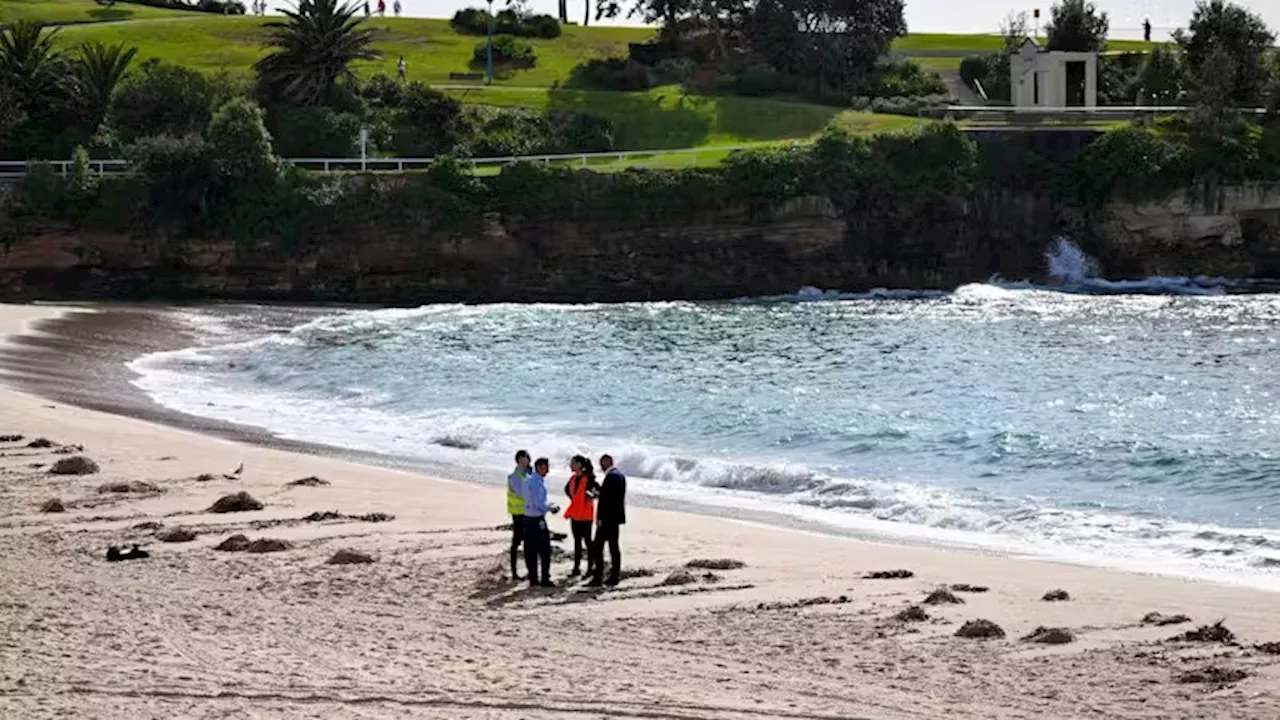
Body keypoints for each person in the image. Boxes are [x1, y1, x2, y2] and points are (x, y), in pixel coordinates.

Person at [589, 454, 626, 586]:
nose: (601, 466)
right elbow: (614, 498)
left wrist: (600, 517)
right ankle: (614, 575)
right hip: (615, 517)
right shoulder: (620, 476)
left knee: (598, 547)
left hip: (607, 518)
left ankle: (599, 576)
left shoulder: (611, 477)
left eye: (602, 463)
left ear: (607, 462)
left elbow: (606, 501)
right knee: (613, 546)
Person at [563, 455, 600, 577]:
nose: (571, 465)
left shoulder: (589, 479)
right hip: (575, 514)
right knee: (577, 542)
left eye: (573, 463)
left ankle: (590, 568)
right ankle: (576, 568)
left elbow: (598, 492)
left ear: (579, 465)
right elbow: (568, 490)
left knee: (588, 542)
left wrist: (591, 495)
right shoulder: (573, 479)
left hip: (585, 515)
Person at [521, 457, 555, 587]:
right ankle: (544, 578)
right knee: (544, 550)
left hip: (527, 518)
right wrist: (550, 508)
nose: (548, 470)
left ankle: (533, 578)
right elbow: (539, 503)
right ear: (540, 467)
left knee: (530, 550)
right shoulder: (537, 483)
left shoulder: (527, 480)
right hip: (537, 519)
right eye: (546, 467)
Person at [506, 450, 532, 581]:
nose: (525, 460)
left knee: (528, 543)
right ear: (518, 460)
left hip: (528, 512)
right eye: (523, 458)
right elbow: (523, 493)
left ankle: (529, 571)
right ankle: (514, 572)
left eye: (526, 458)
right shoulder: (514, 476)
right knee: (516, 542)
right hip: (518, 513)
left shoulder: (529, 474)